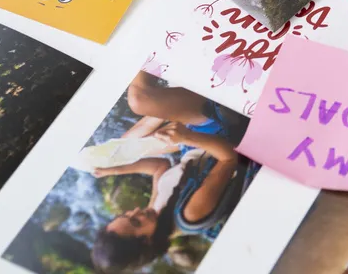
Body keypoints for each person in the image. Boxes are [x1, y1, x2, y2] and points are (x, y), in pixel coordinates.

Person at [89, 73, 257, 272]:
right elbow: (230, 158)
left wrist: (115, 170)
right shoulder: (191, 214)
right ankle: (147, 55)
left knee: (124, 145)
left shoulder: (155, 214)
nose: (135, 210)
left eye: (125, 214)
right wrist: (187, 136)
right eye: (135, 221)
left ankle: (164, 90)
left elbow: (159, 167)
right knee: (140, 100)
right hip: (225, 131)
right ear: (147, 242)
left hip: (193, 143)